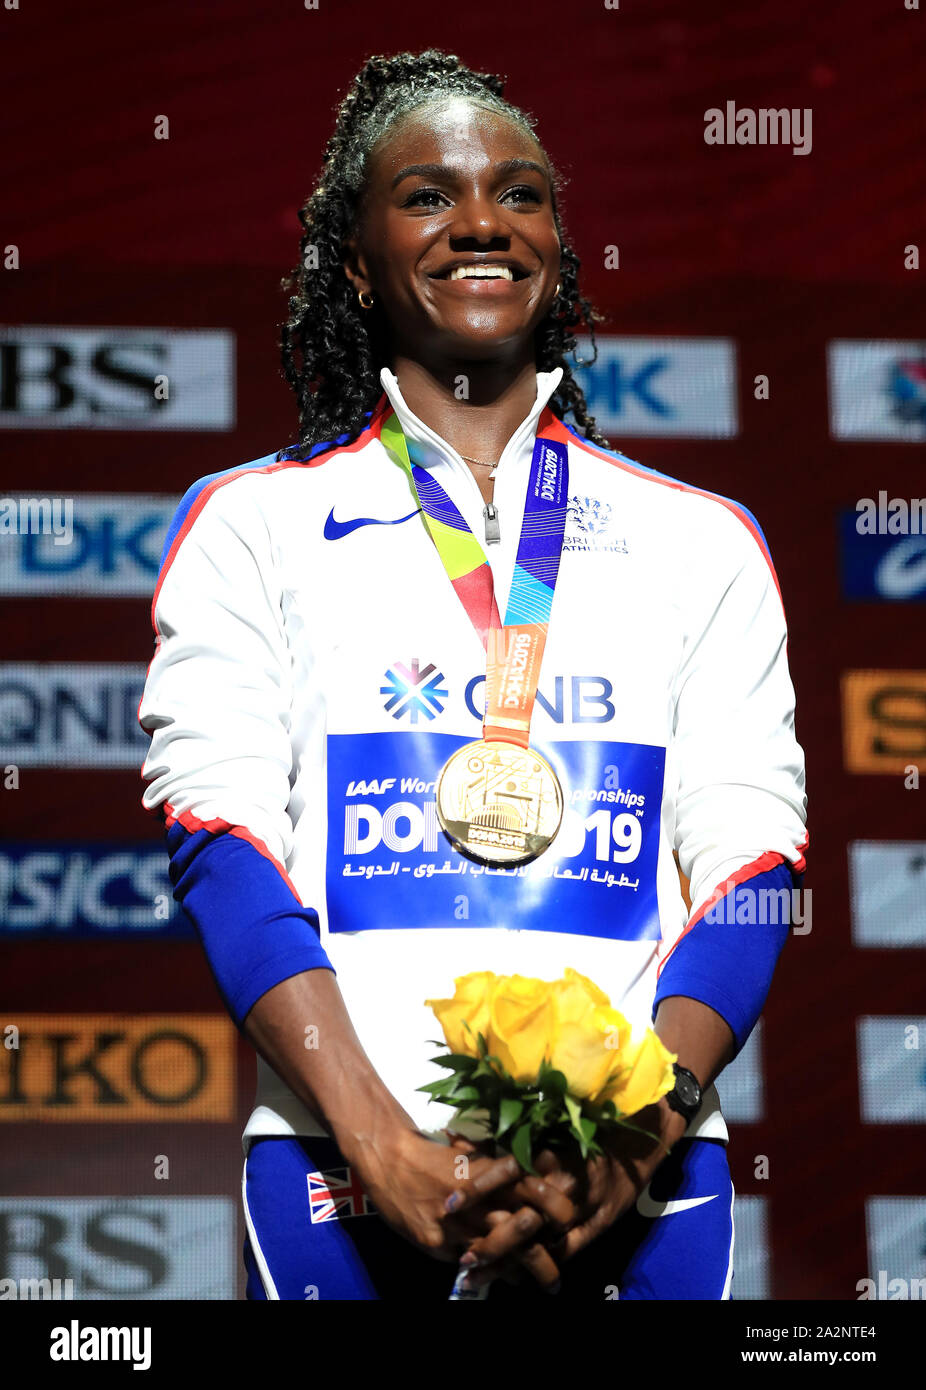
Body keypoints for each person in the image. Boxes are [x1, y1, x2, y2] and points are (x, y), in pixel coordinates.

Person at [139, 48, 808, 1301]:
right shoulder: (251, 525)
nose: (482, 221)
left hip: (643, 1182)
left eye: (520, 191)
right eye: (427, 195)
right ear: (353, 258)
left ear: (556, 242)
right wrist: (378, 1135)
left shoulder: (700, 539)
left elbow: (752, 864)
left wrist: (633, 1131)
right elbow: (221, 838)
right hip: (344, 1170)